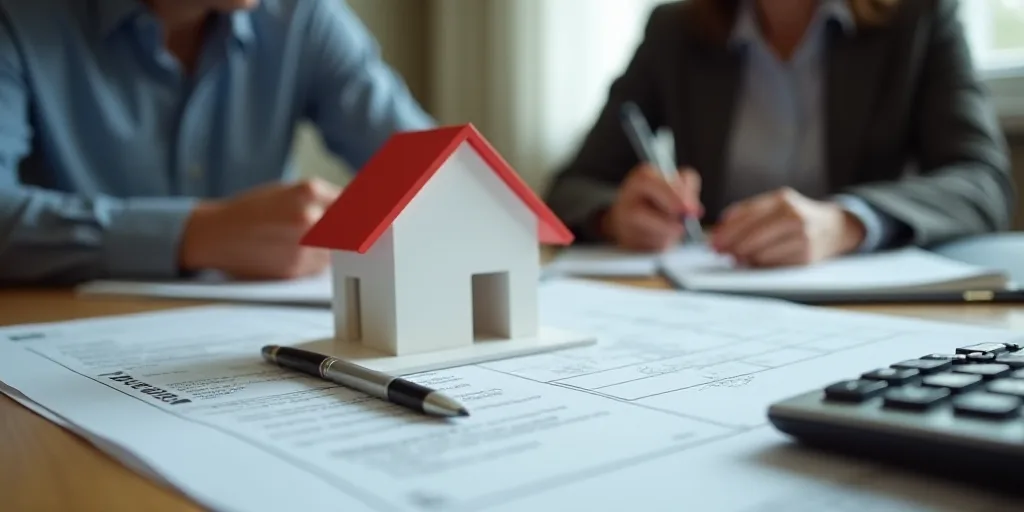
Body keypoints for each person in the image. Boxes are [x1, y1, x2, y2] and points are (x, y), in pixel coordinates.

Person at [545, 0, 1016, 268]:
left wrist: (847, 222)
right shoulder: (676, 29)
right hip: (711, 307)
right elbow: (572, 186)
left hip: (863, 311)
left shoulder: (919, 17)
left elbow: (983, 182)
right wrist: (616, 216)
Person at [0, 0, 435, 285]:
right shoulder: (18, 19)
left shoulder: (301, 17)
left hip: (253, 346)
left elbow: (430, 175)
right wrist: (196, 235)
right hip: (56, 338)